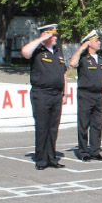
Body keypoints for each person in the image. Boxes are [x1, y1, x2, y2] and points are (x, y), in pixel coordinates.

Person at [22, 23, 68, 170]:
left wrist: (64, 93)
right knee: (42, 127)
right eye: (51, 35)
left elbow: (63, 74)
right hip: (41, 94)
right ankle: (41, 159)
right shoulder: (37, 51)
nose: (55, 37)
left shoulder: (58, 52)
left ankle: (51, 158)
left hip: (56, 94)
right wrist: (40, 40)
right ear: (44, 35)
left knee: (53, 127)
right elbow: (25, 52)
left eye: (55, 35)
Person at [70, 30, 102, 161]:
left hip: (98, 95)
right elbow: (72, 64)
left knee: (97, 124)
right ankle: (83, 151)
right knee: (83, 124)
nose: (99, 43)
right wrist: (81, 47)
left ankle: (95, 150)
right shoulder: (82, 58)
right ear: (89, 43)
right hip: (85, 94)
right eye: (96, 40)